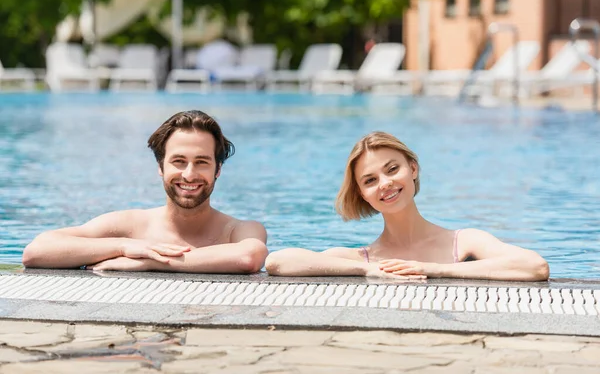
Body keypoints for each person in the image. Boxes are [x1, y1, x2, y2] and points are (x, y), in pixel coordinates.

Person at [266, 131, 550, 281]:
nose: (385, 183)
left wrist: (434, 270)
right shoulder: (365, 259)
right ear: (363, 194)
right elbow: (278, 262)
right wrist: (367, 271)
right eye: (370, 180)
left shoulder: (464, 242)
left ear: (412, 169)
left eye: (392, 169)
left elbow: (534, 266)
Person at [23, 110, 268, 273]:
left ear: (218, 170)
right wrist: (123, 246)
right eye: (179, 161)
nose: (189, 174)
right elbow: (37, 251)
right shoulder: (129, 227)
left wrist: (151, 261)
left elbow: (250, 256)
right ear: (160, 167)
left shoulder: (237, 229)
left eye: (202, 162)